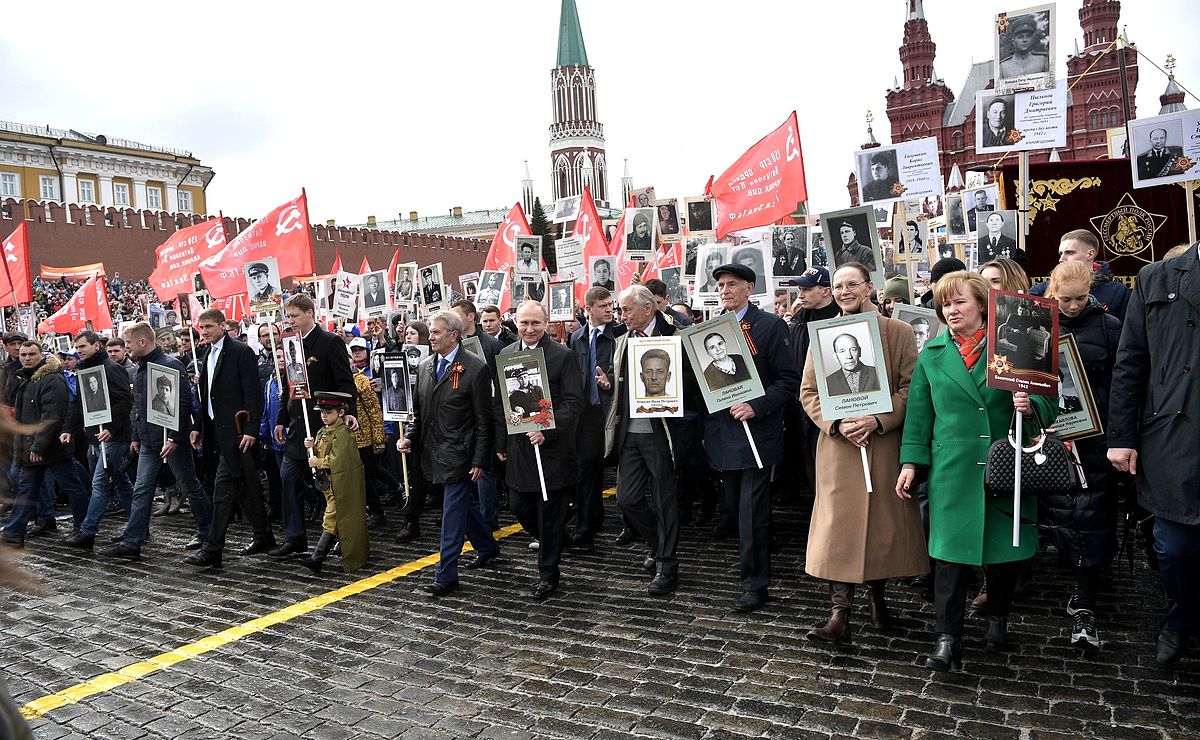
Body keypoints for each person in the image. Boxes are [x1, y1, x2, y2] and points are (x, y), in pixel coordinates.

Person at [896, 271, 1057, 671]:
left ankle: (998, 621)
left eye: (959, 302)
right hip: (952, 469)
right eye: (944, 304)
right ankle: (947, 639)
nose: (950, 310)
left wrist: (1030, 404)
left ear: (982, 305)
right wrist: (911, 463)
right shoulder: (931, 355)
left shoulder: (1014, 345)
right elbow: (919, 414)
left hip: (1006, 464)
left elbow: (1051, 407)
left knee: (1003, 552)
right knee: (948, 556)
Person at [800, 263, 927, 644]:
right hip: (839, 448)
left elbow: (912, 389)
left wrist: (878, 419)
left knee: (881, 528)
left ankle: (878, 598)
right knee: (840, 527)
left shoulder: (899, 332)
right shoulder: (822, 335)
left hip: (883, 446)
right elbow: (809, 392)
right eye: (837, 286)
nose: (843, 291)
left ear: (869, 287)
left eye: (851, 284)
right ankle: (839, 614)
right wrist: (837, 425)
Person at [1107, 240, 1200, 667]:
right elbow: (1130, 363)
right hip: (1173, 435)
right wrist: (1121, 436)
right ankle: (1182, 615)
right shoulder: (1156, 278)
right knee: (1174, 546)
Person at [704, 263, 800, 611]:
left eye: (732, 284)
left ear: (749, 288)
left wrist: (756, 406)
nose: (724, 290)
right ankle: (752, 572)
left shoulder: (769, 326)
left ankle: (755, 585)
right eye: (720, 286)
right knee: (734, 508)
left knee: (752, 512)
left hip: (757, 435)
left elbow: (788, 381)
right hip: (722, 435)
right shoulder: (709, 331)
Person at [1040, 260, 1123, 650]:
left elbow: (1123, 384)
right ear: (1052, 292)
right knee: (1060, 513)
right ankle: (1074, 571)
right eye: (1064, 299)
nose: (1072, 306)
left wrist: (1104, 419)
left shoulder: (1109, 327)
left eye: (1079, 298)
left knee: (1094, 513)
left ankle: (1087, 592)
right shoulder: (1036, 325)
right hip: (1051, 435)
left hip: (1094, 437)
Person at [399, 310, 499, 594]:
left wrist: (480, 459)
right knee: (462, 507)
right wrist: (410, 438)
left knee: (451, 514)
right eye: (430, 331)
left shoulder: (475, 368)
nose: (430, 336)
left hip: (460, 456)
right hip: (432, 453)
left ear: (454, 335)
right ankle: (488, 546)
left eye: (436, 332)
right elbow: (420, 413)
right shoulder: (425, 366)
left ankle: (446, 574)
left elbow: (484, 420)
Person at [495, 301, 584, 600]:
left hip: (552, 451)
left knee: (549, 513)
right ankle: (555, 537)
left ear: (545, 323)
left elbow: (574, 402)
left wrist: (548, 429)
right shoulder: (506, 355)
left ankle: (548, 574)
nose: (529, 329)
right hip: (520, 449)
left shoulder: (563, 355)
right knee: (519, 505)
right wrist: (500, 443)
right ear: (516, 323)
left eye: (535, 323)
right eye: (524, 323)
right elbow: (501, 404)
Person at [603, 285, 688, 595]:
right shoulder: (623, 340)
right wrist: (610, 383)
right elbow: (624, 386)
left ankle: (668, 565)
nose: (620, 316)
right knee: (627, 498)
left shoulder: (675, 335)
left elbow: (689, 385)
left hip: (661, 433)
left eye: (626, 310)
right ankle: (656, 542)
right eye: (620, 310)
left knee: (665, 500)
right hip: (629, 434)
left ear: (647, 310)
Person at [102, 322, 213, 560]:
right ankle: (133, 541)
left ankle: (208, 530)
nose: (126, 348)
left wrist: (174, 437)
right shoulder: (139, 368)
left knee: (189, 485)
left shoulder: (171, 365)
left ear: (143, 342)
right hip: (148, 440)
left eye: (129, 344)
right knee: (141, 491)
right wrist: (136, 436)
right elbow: (139, 407)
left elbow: (183, 405)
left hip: (171, 441)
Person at [185, 308, 275, 569]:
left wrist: (250, 429)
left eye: (209, 327)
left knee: (223, 490)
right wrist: (199, 426)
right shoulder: (205, 354)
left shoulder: (240, 352)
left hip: (237, 430)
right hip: (216, 431)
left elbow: (252, 393)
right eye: (201, 328)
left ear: (223, 326)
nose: (204, 332)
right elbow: (207, 395)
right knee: (245, 486)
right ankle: (264, 535)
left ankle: (213, 548)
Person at [272, 294, 358, 558]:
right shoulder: (290, 343)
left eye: (295, 316)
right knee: (288, 480)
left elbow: (345, 383)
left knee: (329, 486)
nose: (291, 321)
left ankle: (341, 535)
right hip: (298, 427)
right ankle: (294, 537)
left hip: (324, 426)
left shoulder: (330, 342)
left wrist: (347, 412)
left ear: (310, 313)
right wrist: (281, 419)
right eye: (288, 317)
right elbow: (291, 385)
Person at [0, 343, 88, 548]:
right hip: (34, 446)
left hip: (51, 448)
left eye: (31, 354)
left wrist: (38, 447)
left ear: (41, 355)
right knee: (27, 489)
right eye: (23, 354)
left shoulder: (51, 380)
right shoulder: (27, 378)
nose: (26, 358)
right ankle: (14, 532)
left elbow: (52, 418)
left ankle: (82, 528)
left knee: (72, 486)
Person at [60, 332, 134, 550]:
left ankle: (87, 531)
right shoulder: (83, 369)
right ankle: (138, 525)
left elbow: (124, 402)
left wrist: (111, 429)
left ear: (95, 345)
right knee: (121, 483)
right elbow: (79, 405)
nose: (79, 350)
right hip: (94, 436)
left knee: (99, 484)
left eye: (82, 346)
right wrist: (69, 429)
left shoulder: (111, 368)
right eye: (77, 347)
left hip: (113, 437)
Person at [568, 286, 624, 553]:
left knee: (621, 469)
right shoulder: (576, 337)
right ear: (588, 310)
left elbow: (626, 369)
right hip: (586, 414)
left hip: (613, 410)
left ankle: (630, 522)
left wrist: (610, 381)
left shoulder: (619, 335)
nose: (609, 309)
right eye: (603, 306)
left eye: (611, 304)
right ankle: (586, 527)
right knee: (586, 469)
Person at [299, 391, 368, 574]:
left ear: (340, 413)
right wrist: (311, 447)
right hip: (329, 484)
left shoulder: (342, 433)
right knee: (336, 518)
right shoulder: (323, 431)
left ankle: (318, 557)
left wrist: (318, 462)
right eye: (322, 412)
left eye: (328, 412)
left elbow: (340, 460)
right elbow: (322, 451)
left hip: (340, 484)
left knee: (331, 517)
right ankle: (337, 547)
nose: (324, 416)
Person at [1029, 229, 1131, 320]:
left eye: (1069, 252)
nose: (1061, 259)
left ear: (1090, 254)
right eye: (1061, 253)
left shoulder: (1118, 292)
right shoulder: (1040, 291)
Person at [998, 14, 1048, 79]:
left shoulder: (1042, 60)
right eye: (1020, 37)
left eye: (1028, 36)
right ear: (1013, 41)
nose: (1025, 40)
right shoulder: (1003, 66)